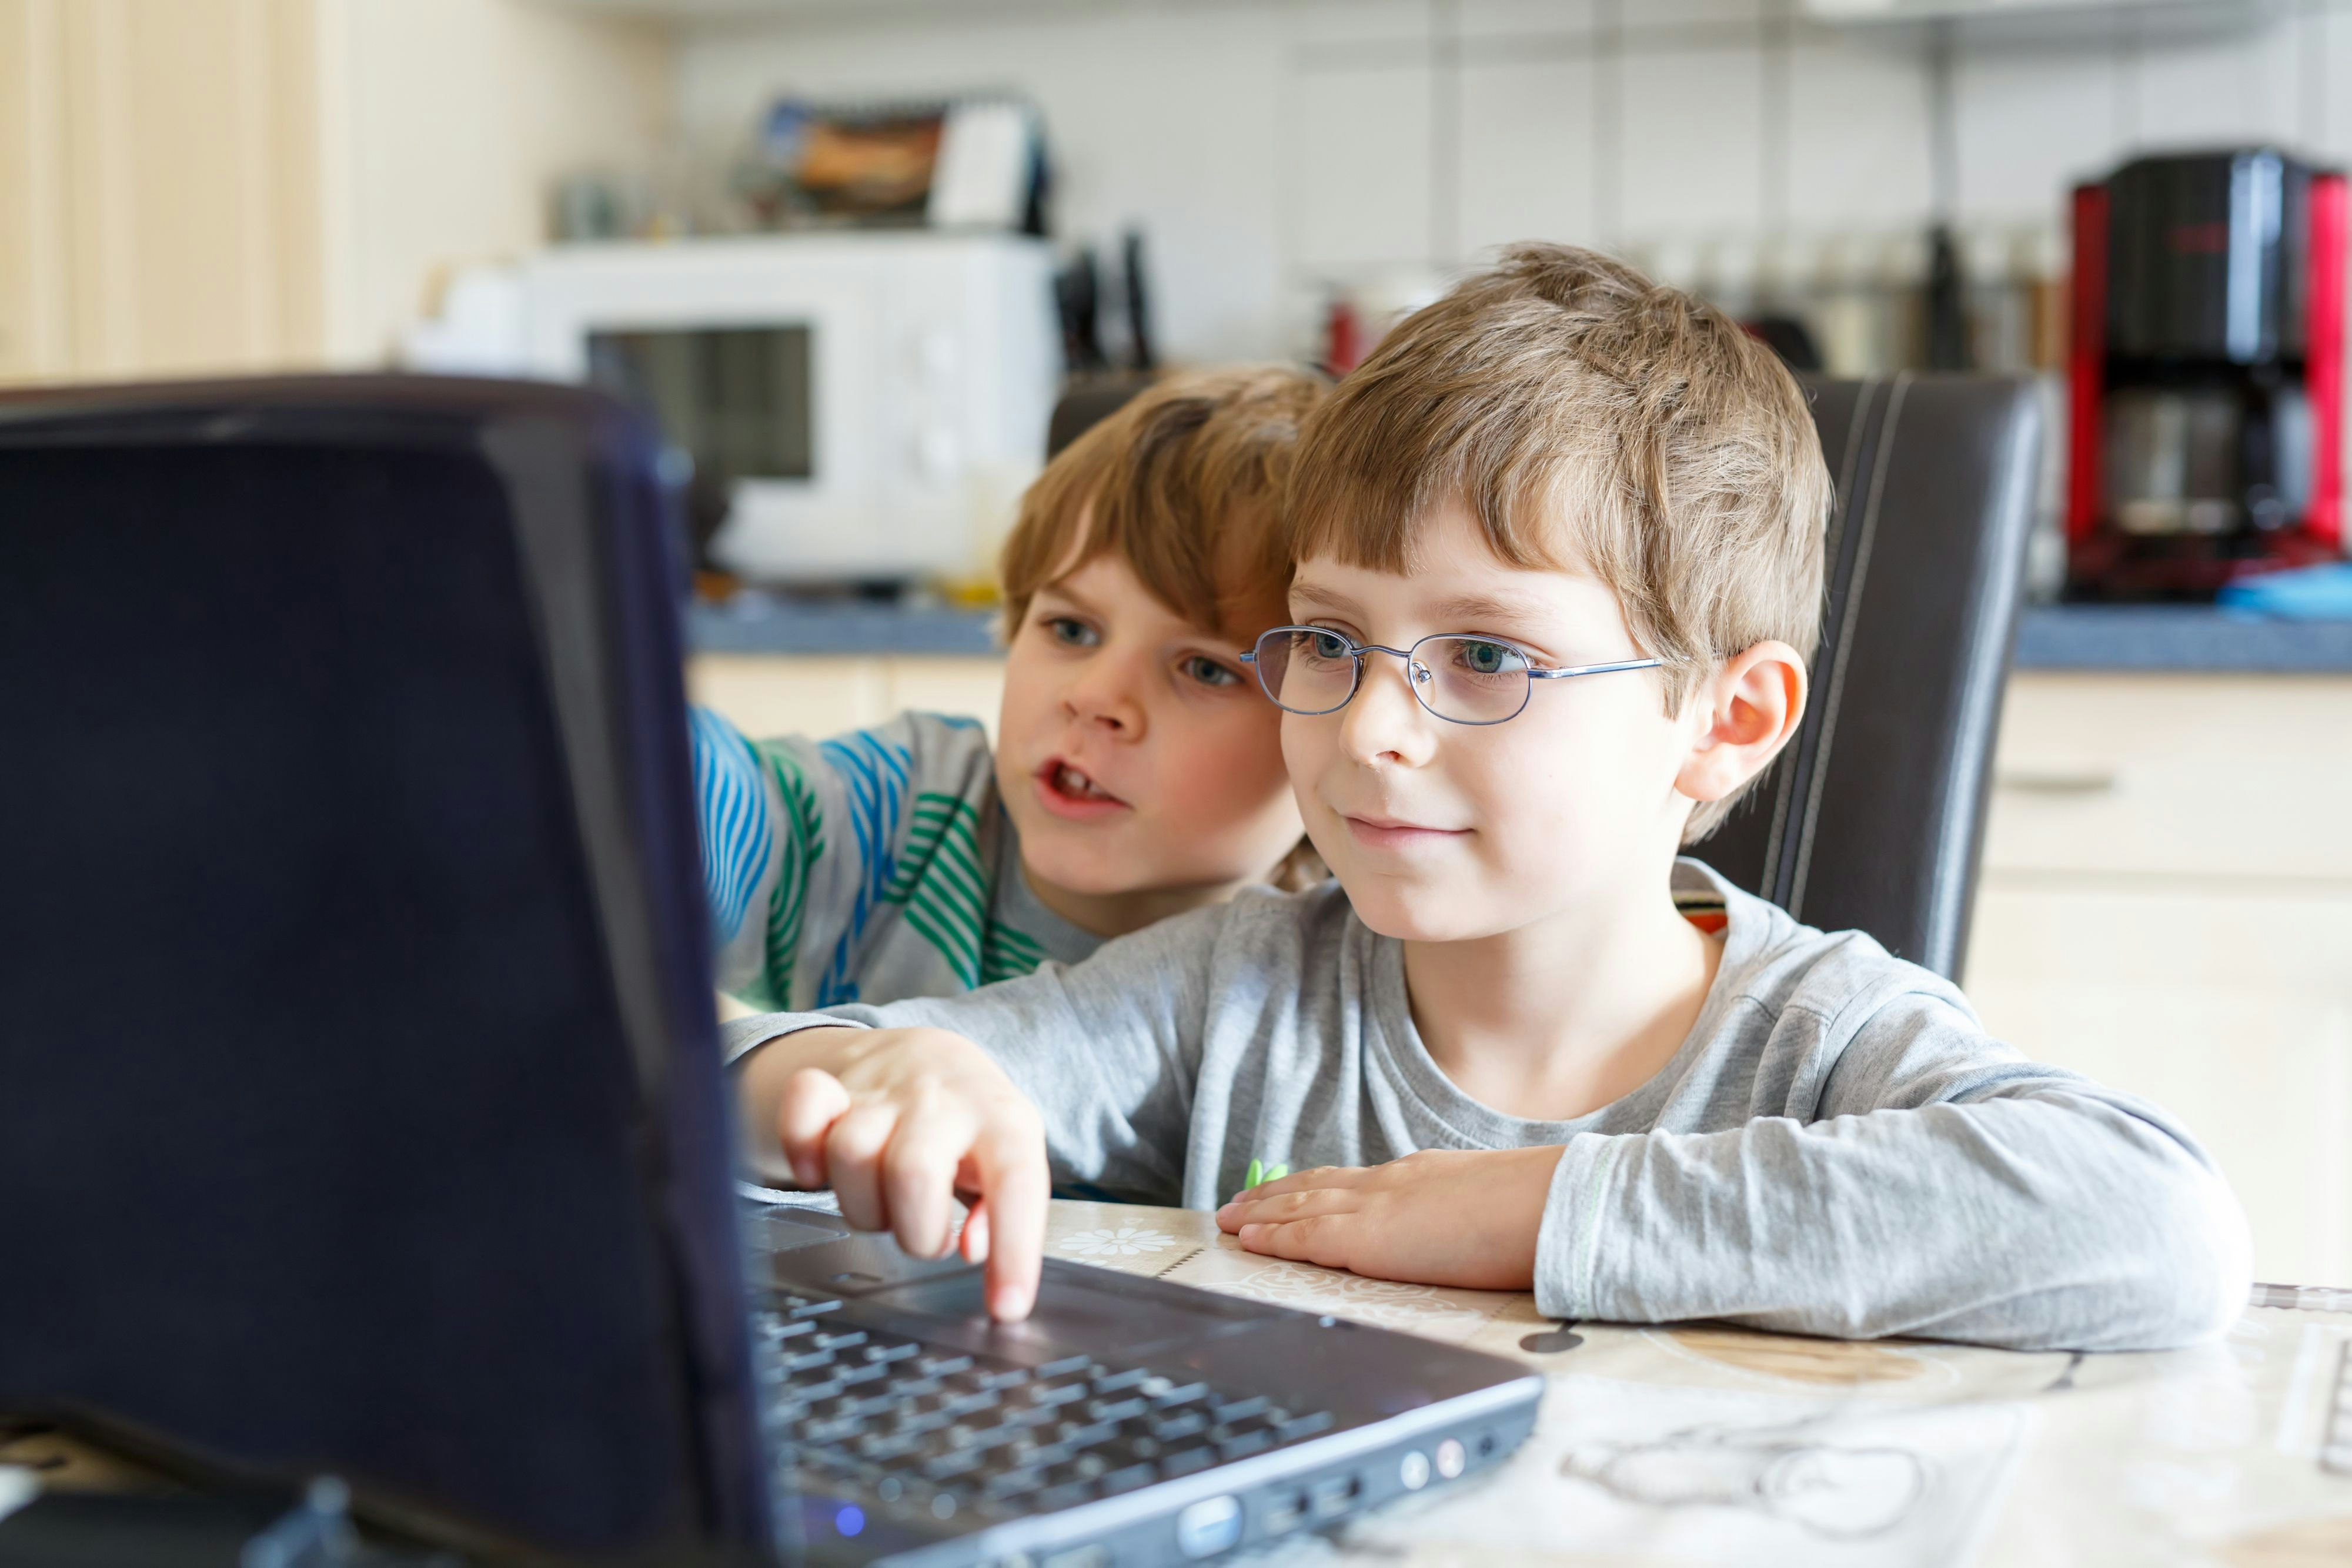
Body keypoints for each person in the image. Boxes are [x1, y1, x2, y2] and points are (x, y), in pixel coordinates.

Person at [720, 245, 2250, 1349]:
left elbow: (2159, 1225)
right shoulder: (1233, 985)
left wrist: (1541, 1210)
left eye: (1485, 656)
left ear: (1724, 721)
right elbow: (908, 1067)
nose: (1371, 727)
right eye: (1327, 638)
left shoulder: (1819, 1036)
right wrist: (891, 1074)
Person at [691, 367, 1324, 1014]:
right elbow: (690, 804)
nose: (1094, 695)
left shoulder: (1335, 994)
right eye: (1071, 629)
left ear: (1331, 735)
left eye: (1205, 669)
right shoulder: (907, 820)